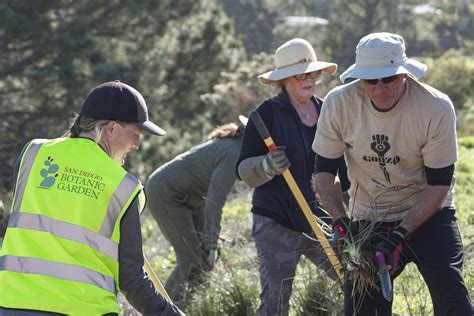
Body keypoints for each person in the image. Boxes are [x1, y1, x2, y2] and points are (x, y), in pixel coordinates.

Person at [313, 32, 473, 315]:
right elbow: (324, 172)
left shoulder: (435, 107)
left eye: (389, 78)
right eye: (371, 80)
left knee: (452, 296)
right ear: (360, 79)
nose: (380, 87)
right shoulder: (338, 104)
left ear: (404, 74)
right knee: (362, 305)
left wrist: (400, 234)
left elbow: (439, 184)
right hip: (369, 215)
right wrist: (340, 222)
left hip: (429, 212)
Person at [0, 80, 184, 315]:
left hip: (13, 305)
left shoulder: (32, 154)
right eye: (136, 133)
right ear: (111, 128)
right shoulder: (125, 187)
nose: (137, 144)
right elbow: (132, 280)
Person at [236, 38, 350, 315]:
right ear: (284, 79)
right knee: (275, 303)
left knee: (356, 285)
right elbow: (243, 171)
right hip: (276, 222)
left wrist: (348, 214)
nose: (310, 79)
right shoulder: (265, 116)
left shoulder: (328, 111)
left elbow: (344, 167)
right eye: (302, 74)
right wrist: (267, 165)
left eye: (314, 72)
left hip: (321, 219)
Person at [145, 117, 246, 306]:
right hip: (165, 192)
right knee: (190, 258)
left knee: (204, 258)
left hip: (188, 198)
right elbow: (215, 200)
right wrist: (212, 242)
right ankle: (158, 309)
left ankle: (187, 306)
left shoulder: (232, 146)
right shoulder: (234, 151)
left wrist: (212, 242)